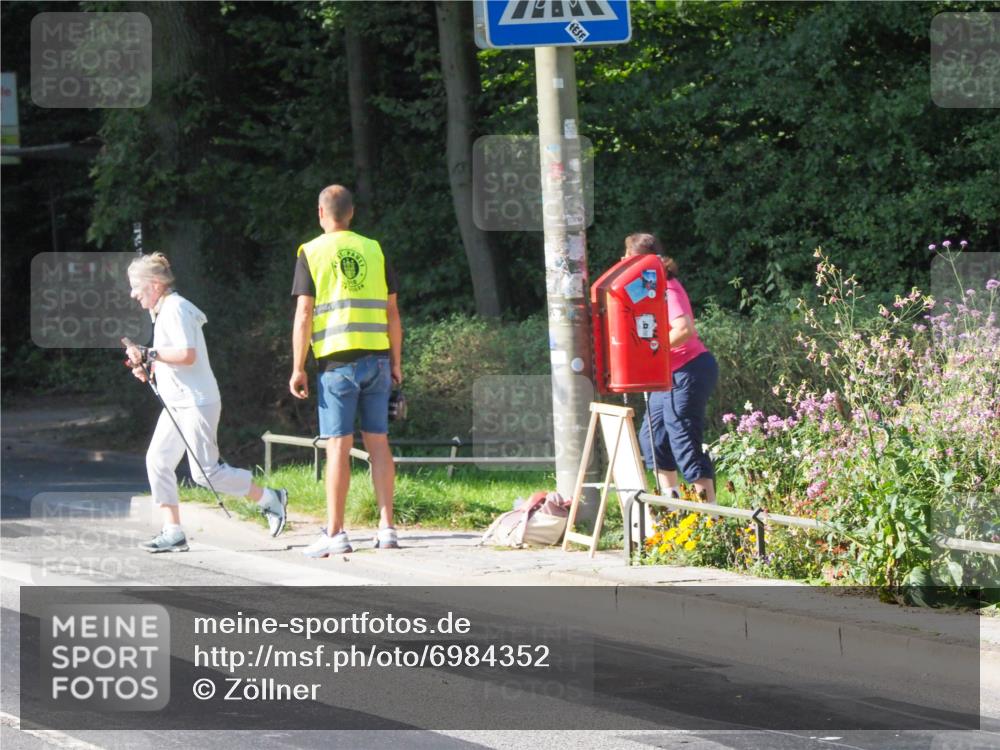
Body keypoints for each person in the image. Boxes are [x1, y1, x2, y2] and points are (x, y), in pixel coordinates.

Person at [126, 252, 289, 552]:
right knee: (158, 461)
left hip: (197, 403)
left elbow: (188, 355)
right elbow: (173, 358)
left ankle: (270, 498)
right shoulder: (164, 311)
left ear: (155, 284)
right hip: (178, 403)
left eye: (137, 287)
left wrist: (149, 354)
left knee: (205, 474)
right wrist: (148, 368)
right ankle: (173, 530)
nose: (133, 294)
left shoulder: (175, 308)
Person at [289, 185, 402, 557]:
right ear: (351, 213)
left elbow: (305, 313)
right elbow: (392, 314)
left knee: (338, 445)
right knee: (379, 443)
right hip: (379, 359)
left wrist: (298, 366)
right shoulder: (375, 249)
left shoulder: (311, 251)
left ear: (321, 213)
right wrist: (397, 364)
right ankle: (387, 528)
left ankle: (336, 533)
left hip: (337, 364)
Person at [626, 233, 719, 502]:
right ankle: (673, 511)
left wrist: (653, 350)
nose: (622, 261)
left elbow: (684, 329)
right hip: (665, 375)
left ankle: (710, 519)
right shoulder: (646, 287)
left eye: (627, 256)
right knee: (653, 442)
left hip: (689, 369)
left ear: (641, 261)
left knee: (684, 442)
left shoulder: (668, 286)